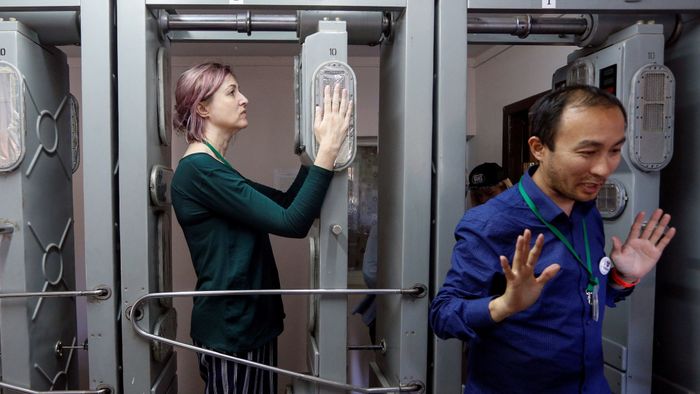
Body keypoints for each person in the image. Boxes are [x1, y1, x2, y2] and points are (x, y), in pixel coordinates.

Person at [429, 85, 676, 393]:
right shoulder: (489, 223)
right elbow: (442, 316)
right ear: (539, 148)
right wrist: (504, 305)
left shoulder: (587, 213)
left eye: (614, 150)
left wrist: (621, 280)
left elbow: (581, 299)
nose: (603, 169)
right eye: (587, 152)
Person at [171, 62, 352, 394]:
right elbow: (293, 224)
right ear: (202, 108)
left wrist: (311, 153)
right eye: (232, 92)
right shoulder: (199, 170)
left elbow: (285, 204)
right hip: (232, 329)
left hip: (252, 325)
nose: (244, 99)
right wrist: (328, 149)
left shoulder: (214, 166)